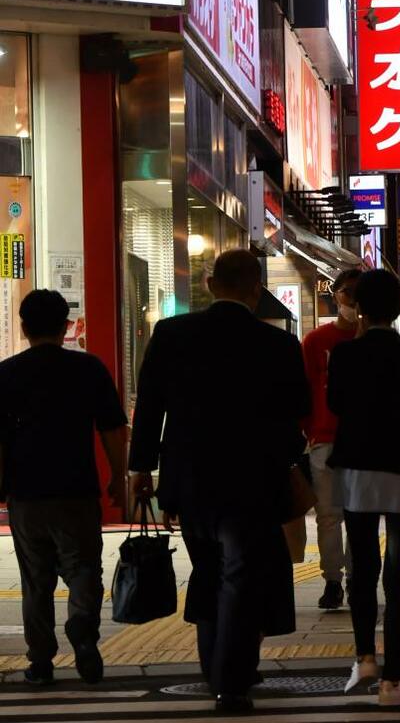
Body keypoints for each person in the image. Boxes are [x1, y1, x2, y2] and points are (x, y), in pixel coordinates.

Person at [129, 250, 311, 715]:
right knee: (240, 574)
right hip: (253, 480)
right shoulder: (278, 345)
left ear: (210, 284)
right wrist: (288, 461)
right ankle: (230, 681)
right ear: (255, 290)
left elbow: (150, 408)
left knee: (210, 568)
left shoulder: (171, 335)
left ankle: (215, 667)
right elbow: (296, 417)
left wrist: (141, 471)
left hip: (189, 480)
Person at [327, 270, 400, 709]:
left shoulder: (345, 356)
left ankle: (364, 657)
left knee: (362, 566)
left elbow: (337, 405)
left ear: (359, 308)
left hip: (359, 469)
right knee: (397, 575)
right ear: (399, 309)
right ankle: (392, 683)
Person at [0, 290, 126, 686]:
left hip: (26, 491)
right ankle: (82, 628)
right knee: (83, 567)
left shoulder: (6, 373)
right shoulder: (88, 369)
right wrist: (118, 477)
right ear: (66, 326)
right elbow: (112, 428)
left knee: (36, 580)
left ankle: (40, 661)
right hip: (76, 488)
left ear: (23, 327)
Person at [302, 268, 362, 610]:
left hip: (361, 440)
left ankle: (355, 577)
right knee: (329, 515)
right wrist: (308, 431)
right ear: (334, 294)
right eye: (346, 291)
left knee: (358, 513)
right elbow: (304, 390)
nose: (351, 299)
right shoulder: (315, 341)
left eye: (357, 292)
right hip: (323, 437)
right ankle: (332, 580)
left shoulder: (370, 339)